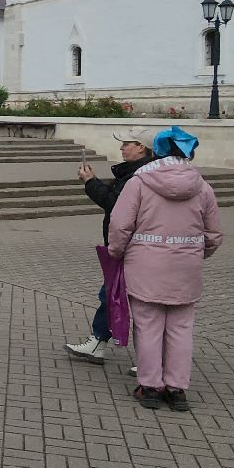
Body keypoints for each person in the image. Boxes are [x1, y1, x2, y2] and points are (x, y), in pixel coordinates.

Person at [106, 126, 222, 412]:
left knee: (147, 325)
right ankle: (177, 388)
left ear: (156, 150)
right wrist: (195, 254)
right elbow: (214, 234)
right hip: (186, 268)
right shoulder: (202, 186)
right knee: (182, 328)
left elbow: (120, 225)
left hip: (145, 265)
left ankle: (150, 387)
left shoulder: (139, 182)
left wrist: (116, 252)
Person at [67, 129, 157, 364]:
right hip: (128, 245)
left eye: (127, 144)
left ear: (141, 147)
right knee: (111, 293)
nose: (122, 148)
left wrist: (90, 183)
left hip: (134, 247)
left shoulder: (139, 176)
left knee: (131, 299)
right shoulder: (133, 173)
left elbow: (117, 208)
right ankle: (98, 341)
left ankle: (149, 360)